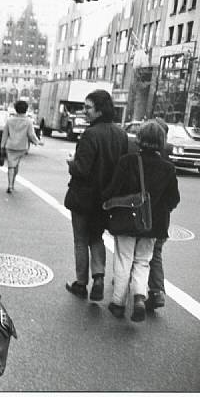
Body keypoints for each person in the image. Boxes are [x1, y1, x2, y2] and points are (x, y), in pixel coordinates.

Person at [102, 121, 180, 322]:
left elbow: (113, 190)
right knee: (143, 261)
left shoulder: (127, 161)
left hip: (127, 221)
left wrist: (105, 200)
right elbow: (174, 199)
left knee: (123, 259)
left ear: (140, 138)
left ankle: (118, 302)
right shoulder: (168, 168)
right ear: (162, 141)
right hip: (153, 224)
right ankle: (138, 297)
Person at [64, 89, 128, 301]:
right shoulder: (121, 134)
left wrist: (71, 163)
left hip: (84, 196)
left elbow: (81, 168)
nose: (85, 111)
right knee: (96, 237)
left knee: (81, 240)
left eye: (88, 107)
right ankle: (99, 277)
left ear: (100, 110)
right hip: (106, 198)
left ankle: (81, 283)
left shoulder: (90, 134)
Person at [0, 100, 43, 193]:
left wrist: (2, 146)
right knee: (16, 165)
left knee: (11, 166)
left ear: (16, 109)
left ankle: (10, 185)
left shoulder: (9, 120)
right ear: (26, 109)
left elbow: (5, 135)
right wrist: (38, 142)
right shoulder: (28, 121)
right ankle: (13, 182)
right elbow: (31, 135)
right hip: (21, 146)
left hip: (10, 146)